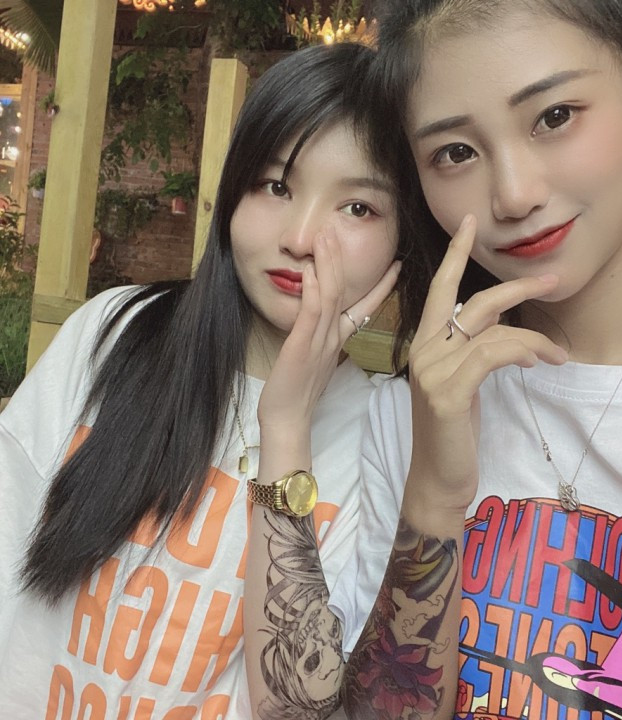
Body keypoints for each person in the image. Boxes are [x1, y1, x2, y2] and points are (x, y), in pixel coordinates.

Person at [332, 2, 622, 719]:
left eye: (554, 116)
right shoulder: (412, 413)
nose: (514, 195)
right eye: (455, 153)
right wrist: (435, 497)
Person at [0, 42, 405, 719]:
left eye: (358, 208)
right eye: (276, 186)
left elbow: (295, 708)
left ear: (403, 242)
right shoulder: (114, 332)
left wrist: (286, 428)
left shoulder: (384, 437)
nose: (302, 237)